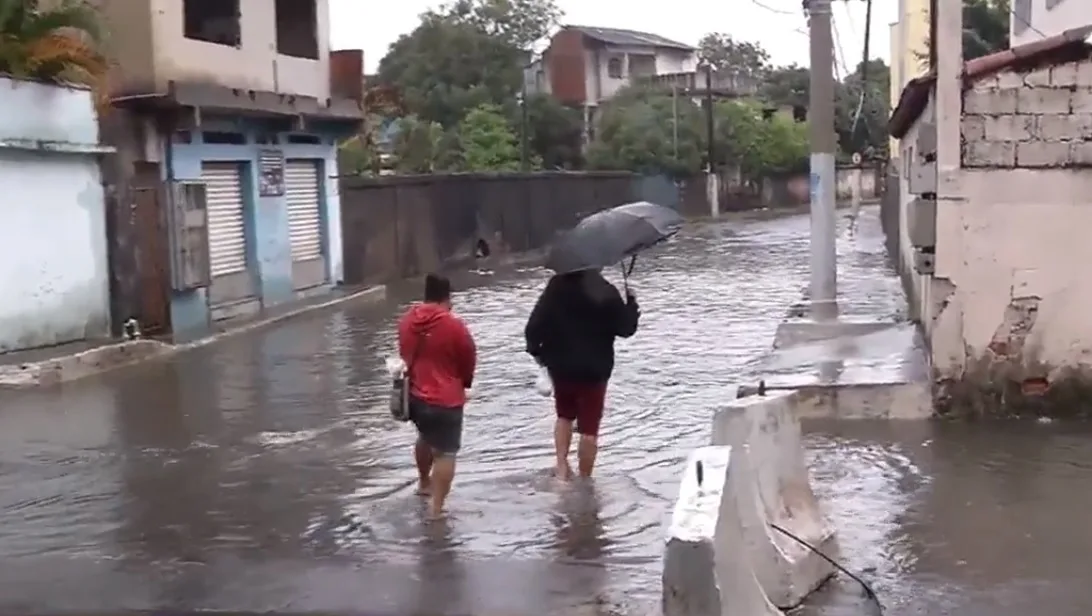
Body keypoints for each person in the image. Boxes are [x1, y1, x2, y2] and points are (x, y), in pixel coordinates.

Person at [524, 268, 640, 480]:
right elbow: (626, 329)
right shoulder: (606, 291)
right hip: (595, 370)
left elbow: (533, 327)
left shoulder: (556, 286)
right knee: (589, 428)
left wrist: (537, 352)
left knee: (564, 415)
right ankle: (585, 480)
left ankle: (561, 468)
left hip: (561, 367)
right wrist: (631, 303)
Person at [398, 273, 477, 517]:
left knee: (424, 436)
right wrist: (464, 383)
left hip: (414, 397)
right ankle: (437, 509)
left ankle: (423, 483)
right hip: (446, 400)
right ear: (447, 296)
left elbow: (404, 353)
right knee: (446, 452)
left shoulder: (406, 321)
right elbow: (468, 357)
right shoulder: (454, 325)